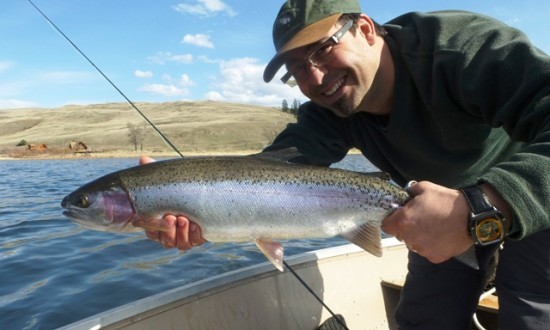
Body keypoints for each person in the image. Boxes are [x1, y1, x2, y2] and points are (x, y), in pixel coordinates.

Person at [142, 0, 550, 328]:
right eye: (297, 69)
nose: (316, 78)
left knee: (531, 312)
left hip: (532, 189)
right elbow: (271, 170)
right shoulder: (330, 108)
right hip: (429, 209)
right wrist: (185, 194)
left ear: (366, 30)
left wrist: (481, 203)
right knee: (425, 318)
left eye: (322, 50)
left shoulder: (462, 49)